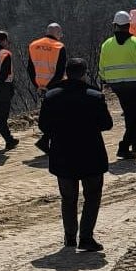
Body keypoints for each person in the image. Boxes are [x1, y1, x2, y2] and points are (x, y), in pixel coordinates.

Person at [37, 59, 111, 252]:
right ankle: (86, 237)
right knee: (92, 196)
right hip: (91, 153)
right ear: (84, 73)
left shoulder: (51, 96)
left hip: (63, 154)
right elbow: (107, 124)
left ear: (66, 74)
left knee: (68, 198)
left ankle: (70, 237)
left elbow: (43, 126)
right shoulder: (95, 96)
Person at [99, 11, 136, 159]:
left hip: (117, 85)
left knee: (130, 114)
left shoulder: (107, 45)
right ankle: (124, 146)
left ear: (114, 25)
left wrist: (105, 79)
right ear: (129, 26)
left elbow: (102, 67)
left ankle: (135, 143)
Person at [28, 23, 67, 98]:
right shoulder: (59, 47)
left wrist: (37, 86)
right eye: (60, 33)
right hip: (55, 87)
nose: (61, 36)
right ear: (57, 33)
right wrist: (48, 87)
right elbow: (60, 71)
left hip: (39, 87)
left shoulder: (33, 45)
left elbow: (30, 69)